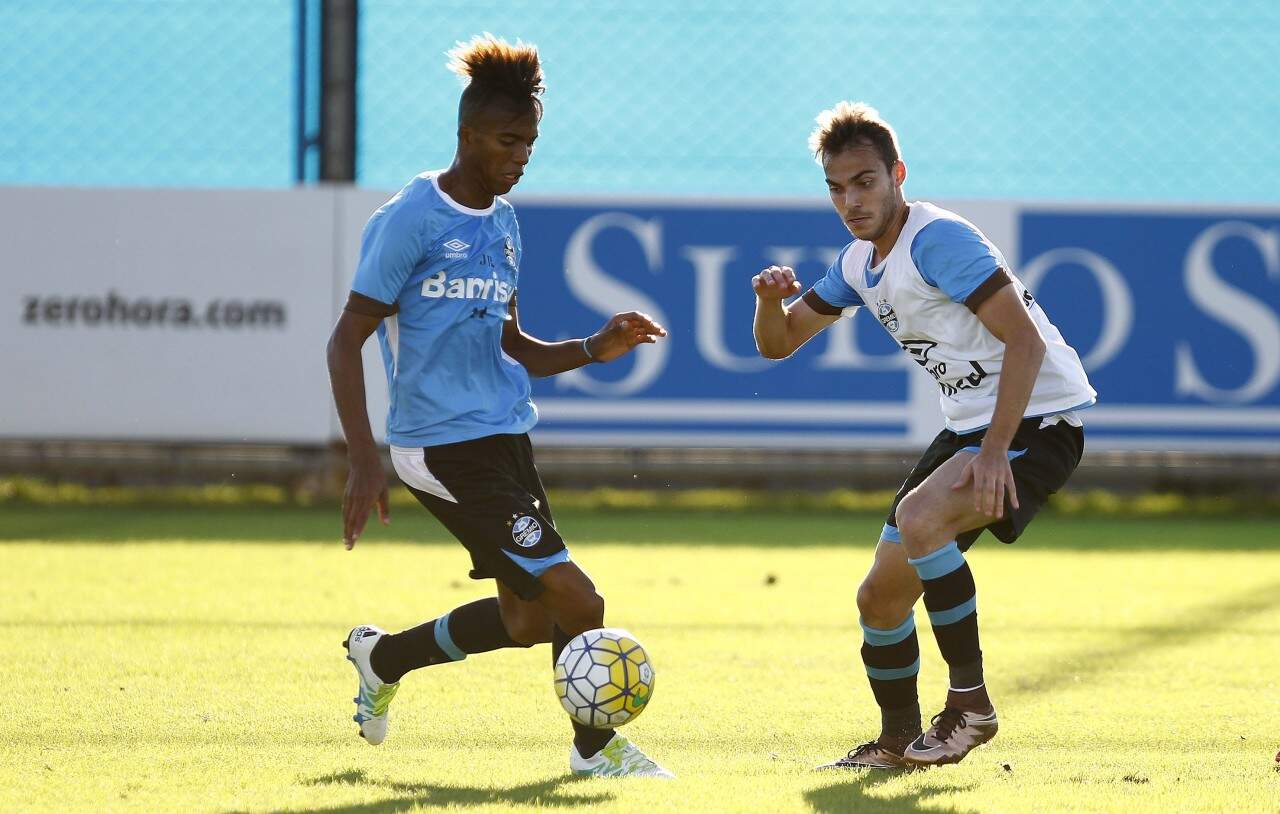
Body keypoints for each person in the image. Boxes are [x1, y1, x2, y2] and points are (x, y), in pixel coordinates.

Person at [326, 34, 672, 779]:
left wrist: (592, 346)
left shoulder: (505, 223)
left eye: (531, 142)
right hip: (441, 447)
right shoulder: (410, 219)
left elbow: (511, 343)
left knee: (529, 619)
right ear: (467, 135)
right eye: (508, 141)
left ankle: (382, 657)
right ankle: (594, 751)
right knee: (581, 600)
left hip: (505, 438)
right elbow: (344, 340)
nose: (521, 155)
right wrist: (362, 458)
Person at [752, 102, 1096, 769]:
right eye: (837, 187)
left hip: (1039, 420)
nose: (851, 200)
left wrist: (996, 451)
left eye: (865, 182)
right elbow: (780, 344)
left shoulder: (938, 240)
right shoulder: (857, 263)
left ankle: (971, 706)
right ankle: (895, 743)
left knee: (921, 517)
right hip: (971, 426)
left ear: (897, 175)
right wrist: (769, 302)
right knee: (879, 599)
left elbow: (1024, 344)